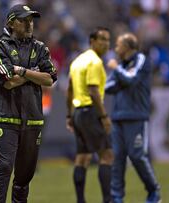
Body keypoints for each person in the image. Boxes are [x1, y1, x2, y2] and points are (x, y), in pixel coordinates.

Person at [0, 4, 57, 203]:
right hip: (6, 116)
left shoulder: (40, 47)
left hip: (33, 118)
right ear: (11, 22)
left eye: (31, 20)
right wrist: (35, 73)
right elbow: (8, 82)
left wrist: (24, 71)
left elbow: (50, 79)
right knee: (6, 166)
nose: (29, 24)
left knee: (25, 175)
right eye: (23, 20)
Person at [105, 33, 161, 203]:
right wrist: (123, 75)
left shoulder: (141, 59)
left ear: (128, 47)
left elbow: (132, 79)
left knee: (137, 156)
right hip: (118, 117)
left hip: (136, 116)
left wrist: (118, 70)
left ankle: (153, 191)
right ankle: (117, 197)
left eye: (118, 45)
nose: (115, 49)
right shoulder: (122, 65)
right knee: (117, 158)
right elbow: (108, 87)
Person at [66, 27, 114, 203]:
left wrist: (69, 116)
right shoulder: (94, 62)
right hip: (91, 112)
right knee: (107, 155)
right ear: (92, 41)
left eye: (108, 40)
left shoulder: (77, 61)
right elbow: (94, 92)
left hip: (78, 113)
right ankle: (108, 200)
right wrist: (103, 117)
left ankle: (80, 200)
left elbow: (70, 90)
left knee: (83, 157)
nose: (106, 44)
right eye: (102, 39)